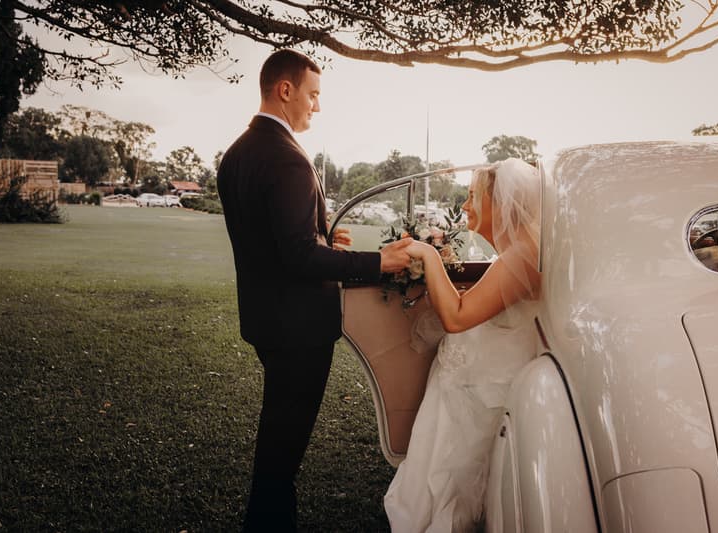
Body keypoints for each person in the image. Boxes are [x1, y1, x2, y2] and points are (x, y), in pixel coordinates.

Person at [216, 49, 412, 532]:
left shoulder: (238, 153)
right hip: (299, 330)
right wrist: (379, 261)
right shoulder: (288, 159)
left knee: (278, 439)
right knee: (283, 454)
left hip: (264, 321)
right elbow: (299, 258)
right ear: (286, 91)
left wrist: (321, 237)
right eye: (313, 95)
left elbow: (271, 239)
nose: (316, 107)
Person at [384, 158, 542, 532]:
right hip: (482, 367)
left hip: (491, 380)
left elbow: (456, 317)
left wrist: (430, 256)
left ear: (500, 203)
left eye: (474, 197)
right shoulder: (516, 250)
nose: (467, 206)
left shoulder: (524, 253)